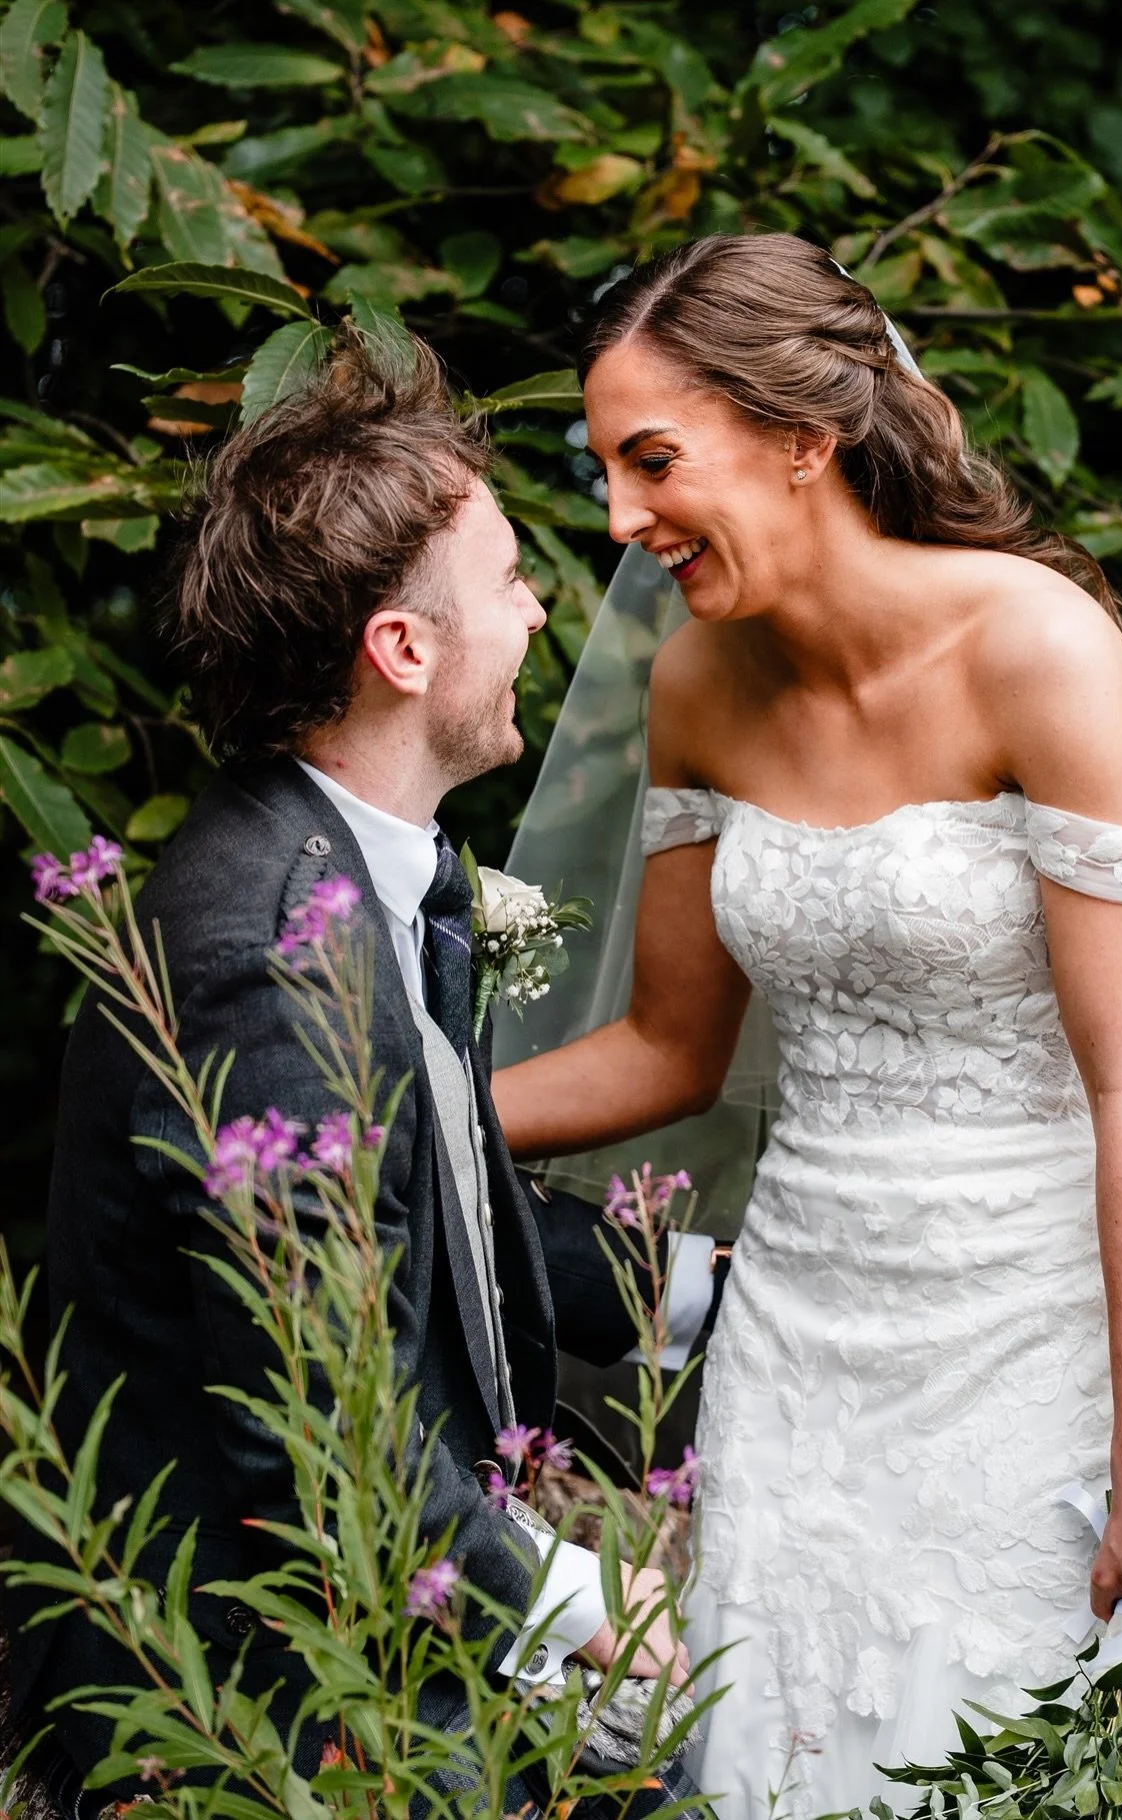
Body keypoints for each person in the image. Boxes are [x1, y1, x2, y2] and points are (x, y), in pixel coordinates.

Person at [490, 234, 1122, 1816]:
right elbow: (669, 1049)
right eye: (604, 473)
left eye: (653, 462)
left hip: (1034, 1335)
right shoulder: (700, 686)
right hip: (800, 1339)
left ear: (804, 433)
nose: (620, 521)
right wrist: (415, 1112)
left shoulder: (1040, 653)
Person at [9, 330, 704, 1820]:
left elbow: (434, 1208)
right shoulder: (270, 953)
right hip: (264, 1712)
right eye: (512, 578)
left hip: (374, 1623)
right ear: (403, 650)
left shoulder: (345, 870)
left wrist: (692, 1284)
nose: (537, 610)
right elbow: (318, 1408)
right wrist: (578, 1601)